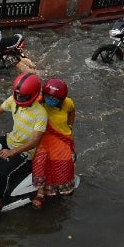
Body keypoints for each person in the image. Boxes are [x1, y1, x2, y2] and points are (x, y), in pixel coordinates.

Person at [0, 73, 48, 222]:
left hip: (26, 151)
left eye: (24, 98)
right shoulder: (14, 100)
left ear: (34, 94)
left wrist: (13, 152)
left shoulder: (41, 114)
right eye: (18, 96)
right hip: (11, 139)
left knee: (4, 171)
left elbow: (35, 141)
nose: (20, 100)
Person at [31, 78, 76, 209]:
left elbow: (72, 112)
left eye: (54, 98)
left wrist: (70, 127)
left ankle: (63, 186)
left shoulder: (68, 103)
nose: (50, 99)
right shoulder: (39, 102)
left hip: (62, 138)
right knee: (40, 160)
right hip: (43, 137)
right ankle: (41, 192)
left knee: (64, 161)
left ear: (61, 99)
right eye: (48, 96)